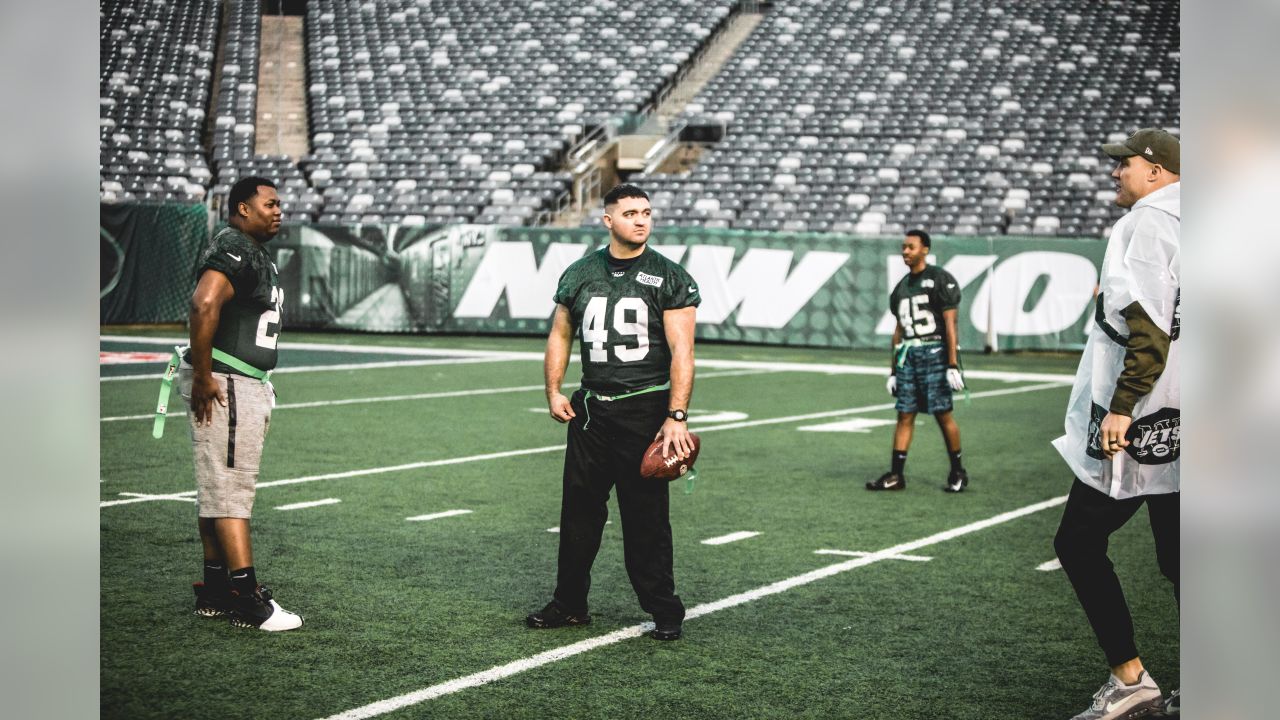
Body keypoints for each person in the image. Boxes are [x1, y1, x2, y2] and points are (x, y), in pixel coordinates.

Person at [526, 183, 700, 641]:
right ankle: (569, 603)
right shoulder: (581, 272)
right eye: (629, 213)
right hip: (589, 412)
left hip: (644, 411)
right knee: (579, 514)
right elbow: (560, 335)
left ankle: (665, 610)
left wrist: (675, 415)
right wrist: (553, 391)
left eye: (646, 212)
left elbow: (684, 352)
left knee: (645, 520)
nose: (641, 220)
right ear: (608, 220)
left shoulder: (667, 275)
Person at [1051, 128, 1180, 719]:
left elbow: (1148, 330)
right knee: (1183, 557)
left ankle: (1132, 681)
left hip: (1149, 417)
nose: (1114, 172)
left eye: (1124, 163)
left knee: (1077, 542)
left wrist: (1124, 406)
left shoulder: (1147, 224)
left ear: (1155, 171)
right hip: (1193, 412)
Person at [180, 176, 302, 631]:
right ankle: (247, 598)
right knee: (231, 492)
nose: (278, 211)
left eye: (279, 205)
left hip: (238, 381)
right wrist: (205, 374)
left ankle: (215, 590)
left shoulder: (249, 250)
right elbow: (203, 303)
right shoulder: (234, 246)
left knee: (218, 489)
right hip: (228, 383)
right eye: (269, 204)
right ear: (242, 208)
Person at [868, 229, 969, 492]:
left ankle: (958, 471)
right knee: (904, 413)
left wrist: (952, 364)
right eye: (903, 247)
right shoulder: (901, 287)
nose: (905, 251)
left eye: (911, 247)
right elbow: (898, 331)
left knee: (942, 414)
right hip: (908, 356)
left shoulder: (939, 278)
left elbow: (950, 324)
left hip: (934, 351)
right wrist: (893, 370)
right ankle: (896, 475)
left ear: (925, 249)